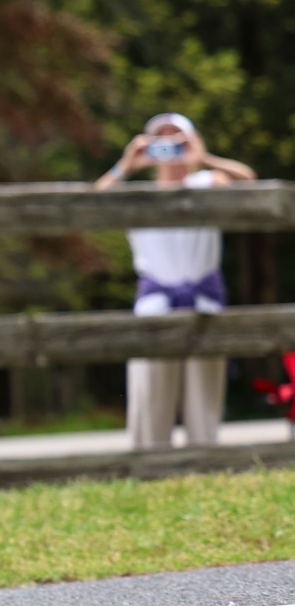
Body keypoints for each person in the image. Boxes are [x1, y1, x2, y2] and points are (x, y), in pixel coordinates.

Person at [93, 112, 256, 449]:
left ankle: (204, 457)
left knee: (204, 396)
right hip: (155, 303)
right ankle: (149, 460)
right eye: (161, 139)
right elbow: (90, 202)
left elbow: (250, 182)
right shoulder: (136, 195)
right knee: (151, 391)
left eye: (177, 138)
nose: (169, 145)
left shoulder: (208, 184)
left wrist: (203, 158)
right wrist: (126, 165)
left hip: (204, 301)